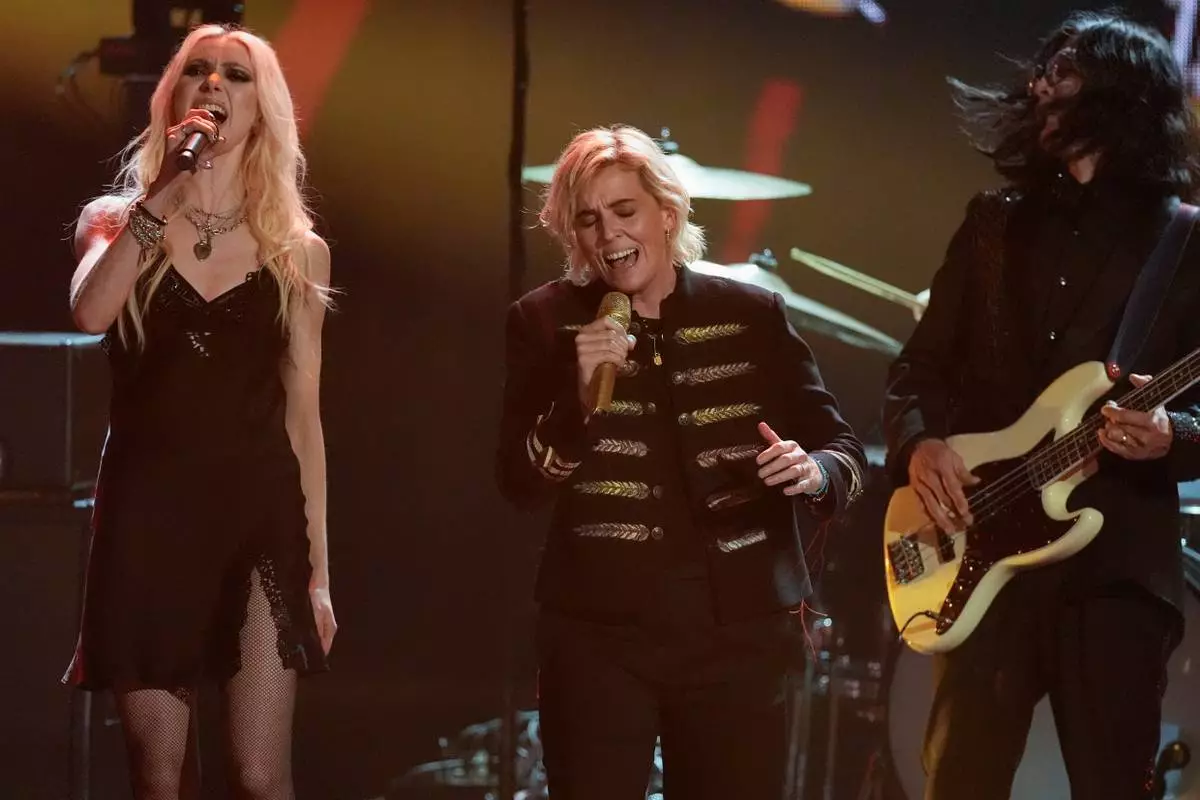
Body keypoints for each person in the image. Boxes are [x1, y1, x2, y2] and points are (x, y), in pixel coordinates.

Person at [883, 12, 1200, 799]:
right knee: (959, 780)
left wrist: (1175, 436)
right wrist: (922, 445)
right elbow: (919, 367)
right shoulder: (993, 223)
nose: (1040, 87)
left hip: (1117, 565)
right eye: (1043, 71)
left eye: (1063, 73)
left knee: (1111, 783)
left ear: (1122, 94)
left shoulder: (1186, 243)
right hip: (985, 553)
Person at [496, 124, 866, 798]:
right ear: (573, 237)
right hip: (599, 638)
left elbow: (842, 449)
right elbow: (518, 483)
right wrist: (575, 406)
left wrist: (810, 471)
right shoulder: (544, 322)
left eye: (624, 211)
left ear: (668, 214)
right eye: (589, 220)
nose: (608, 235)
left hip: (739, 634)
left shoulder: (752, 314)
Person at [64, 24, 336, 800]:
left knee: (257, 774)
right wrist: (166, 196)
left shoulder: (295, 248)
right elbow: (90, 313)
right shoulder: (116, 218)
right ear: (173, 98)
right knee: (158, 776)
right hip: (147, 517)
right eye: (199, 71)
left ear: (263, 109)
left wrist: (319, 578)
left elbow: (305, 417)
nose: (215, 85)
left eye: (237, 76)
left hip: (259, 521)